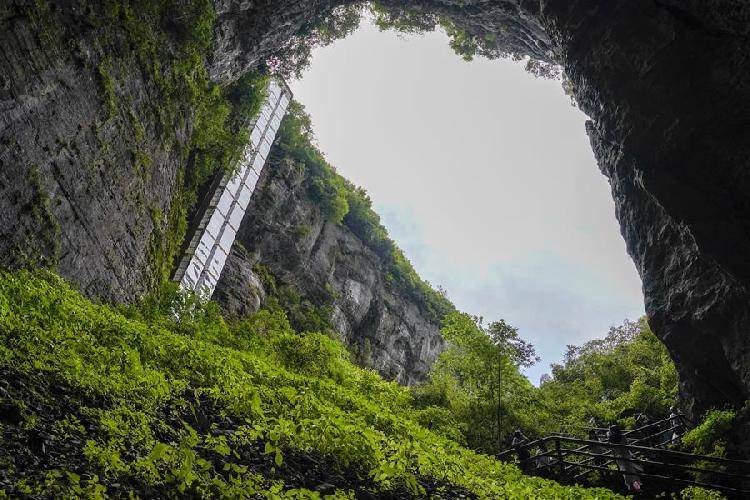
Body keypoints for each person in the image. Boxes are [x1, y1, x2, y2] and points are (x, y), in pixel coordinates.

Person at [608, 424, 643, 492]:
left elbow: (612, 449)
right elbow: (626, 445)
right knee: (632, 471)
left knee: (625, 472)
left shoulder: (611, 439)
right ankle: (637, 487)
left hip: (619, 457)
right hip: (626, 455)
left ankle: (630, 487)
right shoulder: (622, 436)